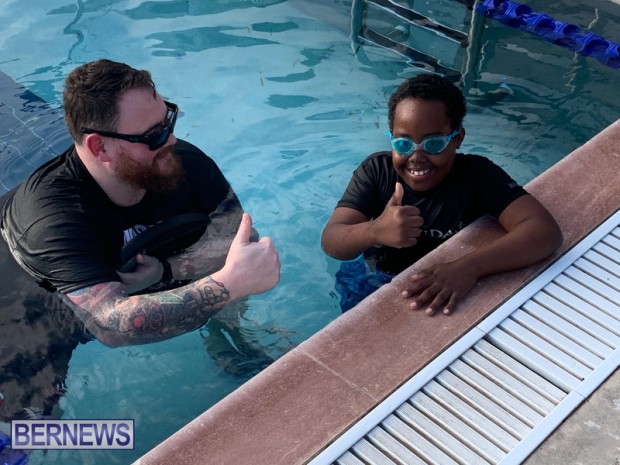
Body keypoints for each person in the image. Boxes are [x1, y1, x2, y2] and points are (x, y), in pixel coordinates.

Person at [0, 59, 280, 347]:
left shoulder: (183, 164)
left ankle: (228, 342)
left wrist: (169, 269)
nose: (170, 139)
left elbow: (241, 245)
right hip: (25, 294)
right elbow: (111, 327)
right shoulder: (51, 219)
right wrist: (228, 285)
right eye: (153, 135)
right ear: (101, 147)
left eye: (168, 120)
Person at [321, 73, 562, 314]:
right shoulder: (377, 171)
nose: (416, 157)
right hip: (372, 274)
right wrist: (375, 231)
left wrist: (469, 267)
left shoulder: (477, 176)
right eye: (403, 144)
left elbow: (544, 231)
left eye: (433, 144)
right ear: (392, 139)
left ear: (457, 138)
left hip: (445, 276)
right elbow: (332, 241)